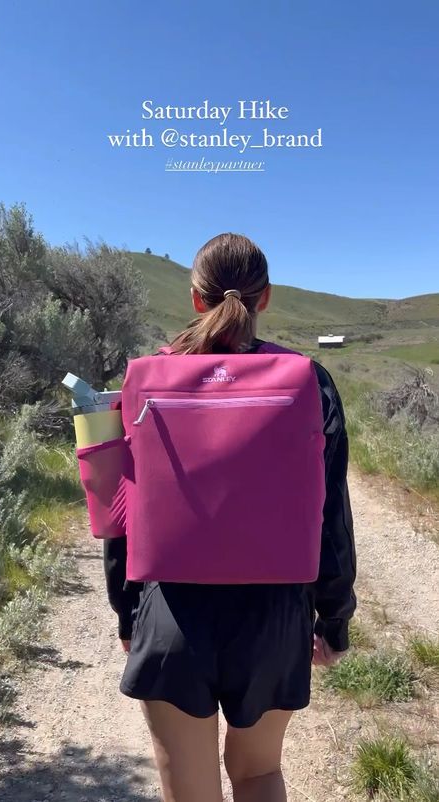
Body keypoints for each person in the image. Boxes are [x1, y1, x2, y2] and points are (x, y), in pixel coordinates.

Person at [103, 233, 356, 802]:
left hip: (172, 611)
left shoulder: (145, 379)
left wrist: (127, 609)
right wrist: (333, 617)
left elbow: (122, 511)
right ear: (266, 298)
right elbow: (330, 513)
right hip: (274, 615)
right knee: (259, 774)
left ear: (196, 300)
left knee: (190, 790)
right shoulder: (308, 380)